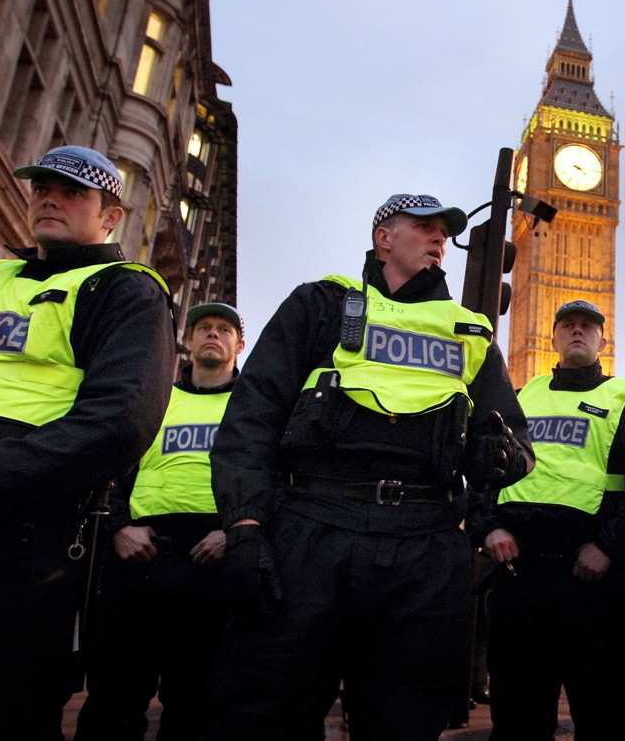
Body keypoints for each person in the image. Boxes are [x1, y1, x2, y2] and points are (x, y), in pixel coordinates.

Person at [208, 193, 534, 741]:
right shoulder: (321, 304)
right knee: (266, 712)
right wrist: (244, 526)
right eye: (423, 227)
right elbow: (252, 418)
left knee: (405, 724)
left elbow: (514, 442)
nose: (438, 238)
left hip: (423, 543)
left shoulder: (470, 330)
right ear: (384, 238)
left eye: (443, 231)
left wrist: (497, 457)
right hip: (312, 527)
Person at [0, 144, 175, 740]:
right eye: (41, 188)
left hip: (21, 533)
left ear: (110, 216)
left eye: (72, 192)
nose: (49, 200)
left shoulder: (125, 290)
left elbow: (118, 422)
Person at [469, 298, 625, 741]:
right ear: (553, 338)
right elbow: (482, 470)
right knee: (516, 718)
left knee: (603, 716)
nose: (577, 331)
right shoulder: (520, 396)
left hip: (593, 577)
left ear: (602, 342)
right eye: (568, 325)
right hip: (519, 574)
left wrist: (610, 546)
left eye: (587, 326)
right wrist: (488, 527)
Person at [76, 302, 245, 740]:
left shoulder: (252, 408)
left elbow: (269, 477)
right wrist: (118, 527)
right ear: (188, 341)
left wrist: (236, 534)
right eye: (203, 327)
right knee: (114, 699)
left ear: (239, 345)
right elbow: (114, 467)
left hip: (215, 564)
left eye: (224, 329)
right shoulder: (154, 401)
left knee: (197, 705)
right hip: (142, 559)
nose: (212, 334)